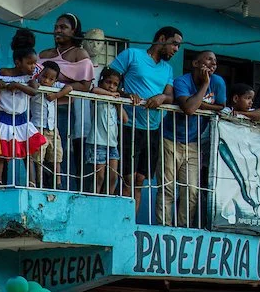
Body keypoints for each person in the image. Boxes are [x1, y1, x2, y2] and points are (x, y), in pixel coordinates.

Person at [110, 26, 180, 208]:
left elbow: (170, 96)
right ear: (162, 39)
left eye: (179, 47)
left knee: (139, 181)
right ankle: (119, 225)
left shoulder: (168, 69)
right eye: (174, 44)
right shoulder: (131, 54)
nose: (176, 50)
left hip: (152, 129)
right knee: (127, 179)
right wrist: (126, 94)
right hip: (128, 126)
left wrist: (162, 97)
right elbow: (108, 80)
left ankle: (129, 228)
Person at [160, 51, 226, 228]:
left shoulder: (218, 82)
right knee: (167, 188)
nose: (213, 63)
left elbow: (221, 107)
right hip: (170, 138)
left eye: (215, 61)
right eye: (209, 59)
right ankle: (162, 227)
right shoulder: (182, 81)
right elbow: (189, 108)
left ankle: (183, 229)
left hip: (194, 142)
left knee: (191, 190)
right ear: (196, 63)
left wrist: (198, 103)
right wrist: (205, 86)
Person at [37, 13, 96, 189]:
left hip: (63, 110)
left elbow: (85, 85)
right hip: (40, 108)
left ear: (74, 31)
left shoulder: (79, 53)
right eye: (56, 27)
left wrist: (63, 89)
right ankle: (42, 186)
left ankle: (58, 188)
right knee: (39, 149)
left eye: (63, 27)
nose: (58, 30)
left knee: (58, 152)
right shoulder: (45, 53)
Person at [0, 30, 45, 186]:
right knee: (1, 152)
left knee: (28, 151)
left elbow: (34, 91)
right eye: (29, 63)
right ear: (17, 62)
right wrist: (0, 84)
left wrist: (16, 85)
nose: (32, 66)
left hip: (21, 118)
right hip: (4, 116)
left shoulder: (30, 77)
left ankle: (32, 181)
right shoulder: (2, 73)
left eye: (34, 63)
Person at [30, 62, 74, 188]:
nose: (46, 80)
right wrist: (36, 83)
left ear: (55, 80)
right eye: (44, 76)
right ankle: (39, 181)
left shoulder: (55, 87)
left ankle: (58, 182)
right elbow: (32, 85)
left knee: (56, 156)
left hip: (53, 129)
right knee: (39, 157)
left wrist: (56, 95)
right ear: (39, 74)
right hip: (38, 127)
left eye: (51, 78)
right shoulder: (35, 85)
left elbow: (69, 88)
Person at [86, 67, 126, 195]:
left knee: (113, 176)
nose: (111, 86)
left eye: (115, 84)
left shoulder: (114, 102)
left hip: (112, 144)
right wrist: (112, 95)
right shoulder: (98, 98)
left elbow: (124, 119)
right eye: (108, 82)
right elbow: (94, 90)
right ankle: (94, 198)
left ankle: (108, 199)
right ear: (101, 82)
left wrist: (118, 102)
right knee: (99, 177)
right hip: (97, 142)